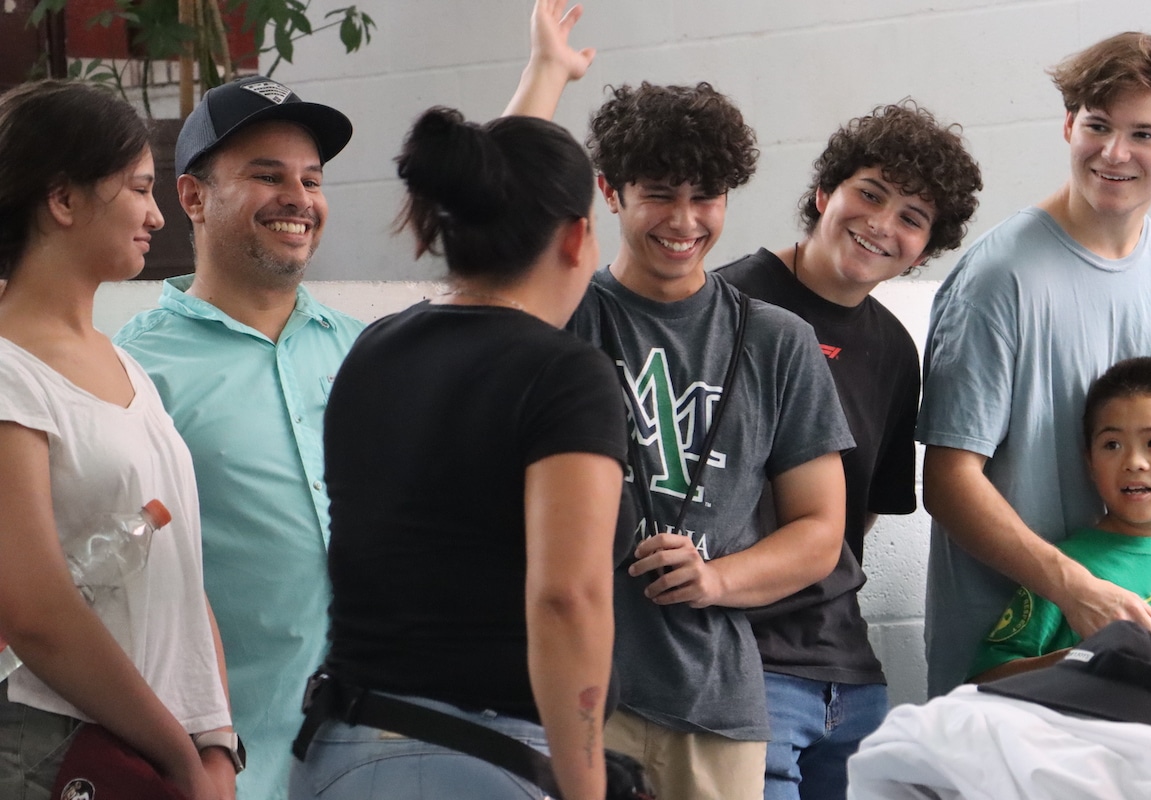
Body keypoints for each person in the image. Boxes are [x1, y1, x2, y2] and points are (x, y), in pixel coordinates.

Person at [505, 3, 851, 798]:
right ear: (610, 193)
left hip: (717, 706)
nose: (686, 221)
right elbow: (501, 205)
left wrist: (717, 580)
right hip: (574, 696)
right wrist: (546, 75)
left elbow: (819, 532)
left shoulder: (777, 340)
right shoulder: (566, 316)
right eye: (660, 194)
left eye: (708, 196)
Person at [287, 106, 627, 800]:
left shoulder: (374, 348)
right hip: (478, 760)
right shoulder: (566, 375)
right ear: (578, 237)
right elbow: (568, 597)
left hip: (340, 751)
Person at [715, 102, 983, 800]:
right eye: (870, 193)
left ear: (925, 249)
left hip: (851, 680)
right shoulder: (727, 304)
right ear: (823, 193)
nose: (881, 223)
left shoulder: (895, 350)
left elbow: (854, 517)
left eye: (911, 217)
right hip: (743, 665)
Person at [917, 31, 1151, 697]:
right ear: (1069, 125)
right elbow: (949, 482)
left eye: (1144, 134)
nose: (1114, 153)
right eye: (1097, 125)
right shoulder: (998, 276)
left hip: (1131, 674)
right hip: (1005, 676)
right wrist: (1074, 589)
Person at [114, 75, 362, 799]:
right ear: (192, 197)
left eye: (311, 179)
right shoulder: (135, 368)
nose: (299, 199)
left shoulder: (365, 353)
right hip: (221, 769)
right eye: (267, 176)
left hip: (372, 760)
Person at [0, 80, 233, 800]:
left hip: (165, 755)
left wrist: (218, 743)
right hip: (61, 751)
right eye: (137, 188)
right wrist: (178, 753)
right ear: (62, 200)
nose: (158, 216)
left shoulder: (126, 364)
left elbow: (182, 571)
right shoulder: (10, 372)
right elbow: (36, 614)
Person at [969, 357, 1151, 680]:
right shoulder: (1066, 571)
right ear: (1090, 464)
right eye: (1112, 444)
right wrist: (1080, 661)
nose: (1134, 462)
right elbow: (983, 680)